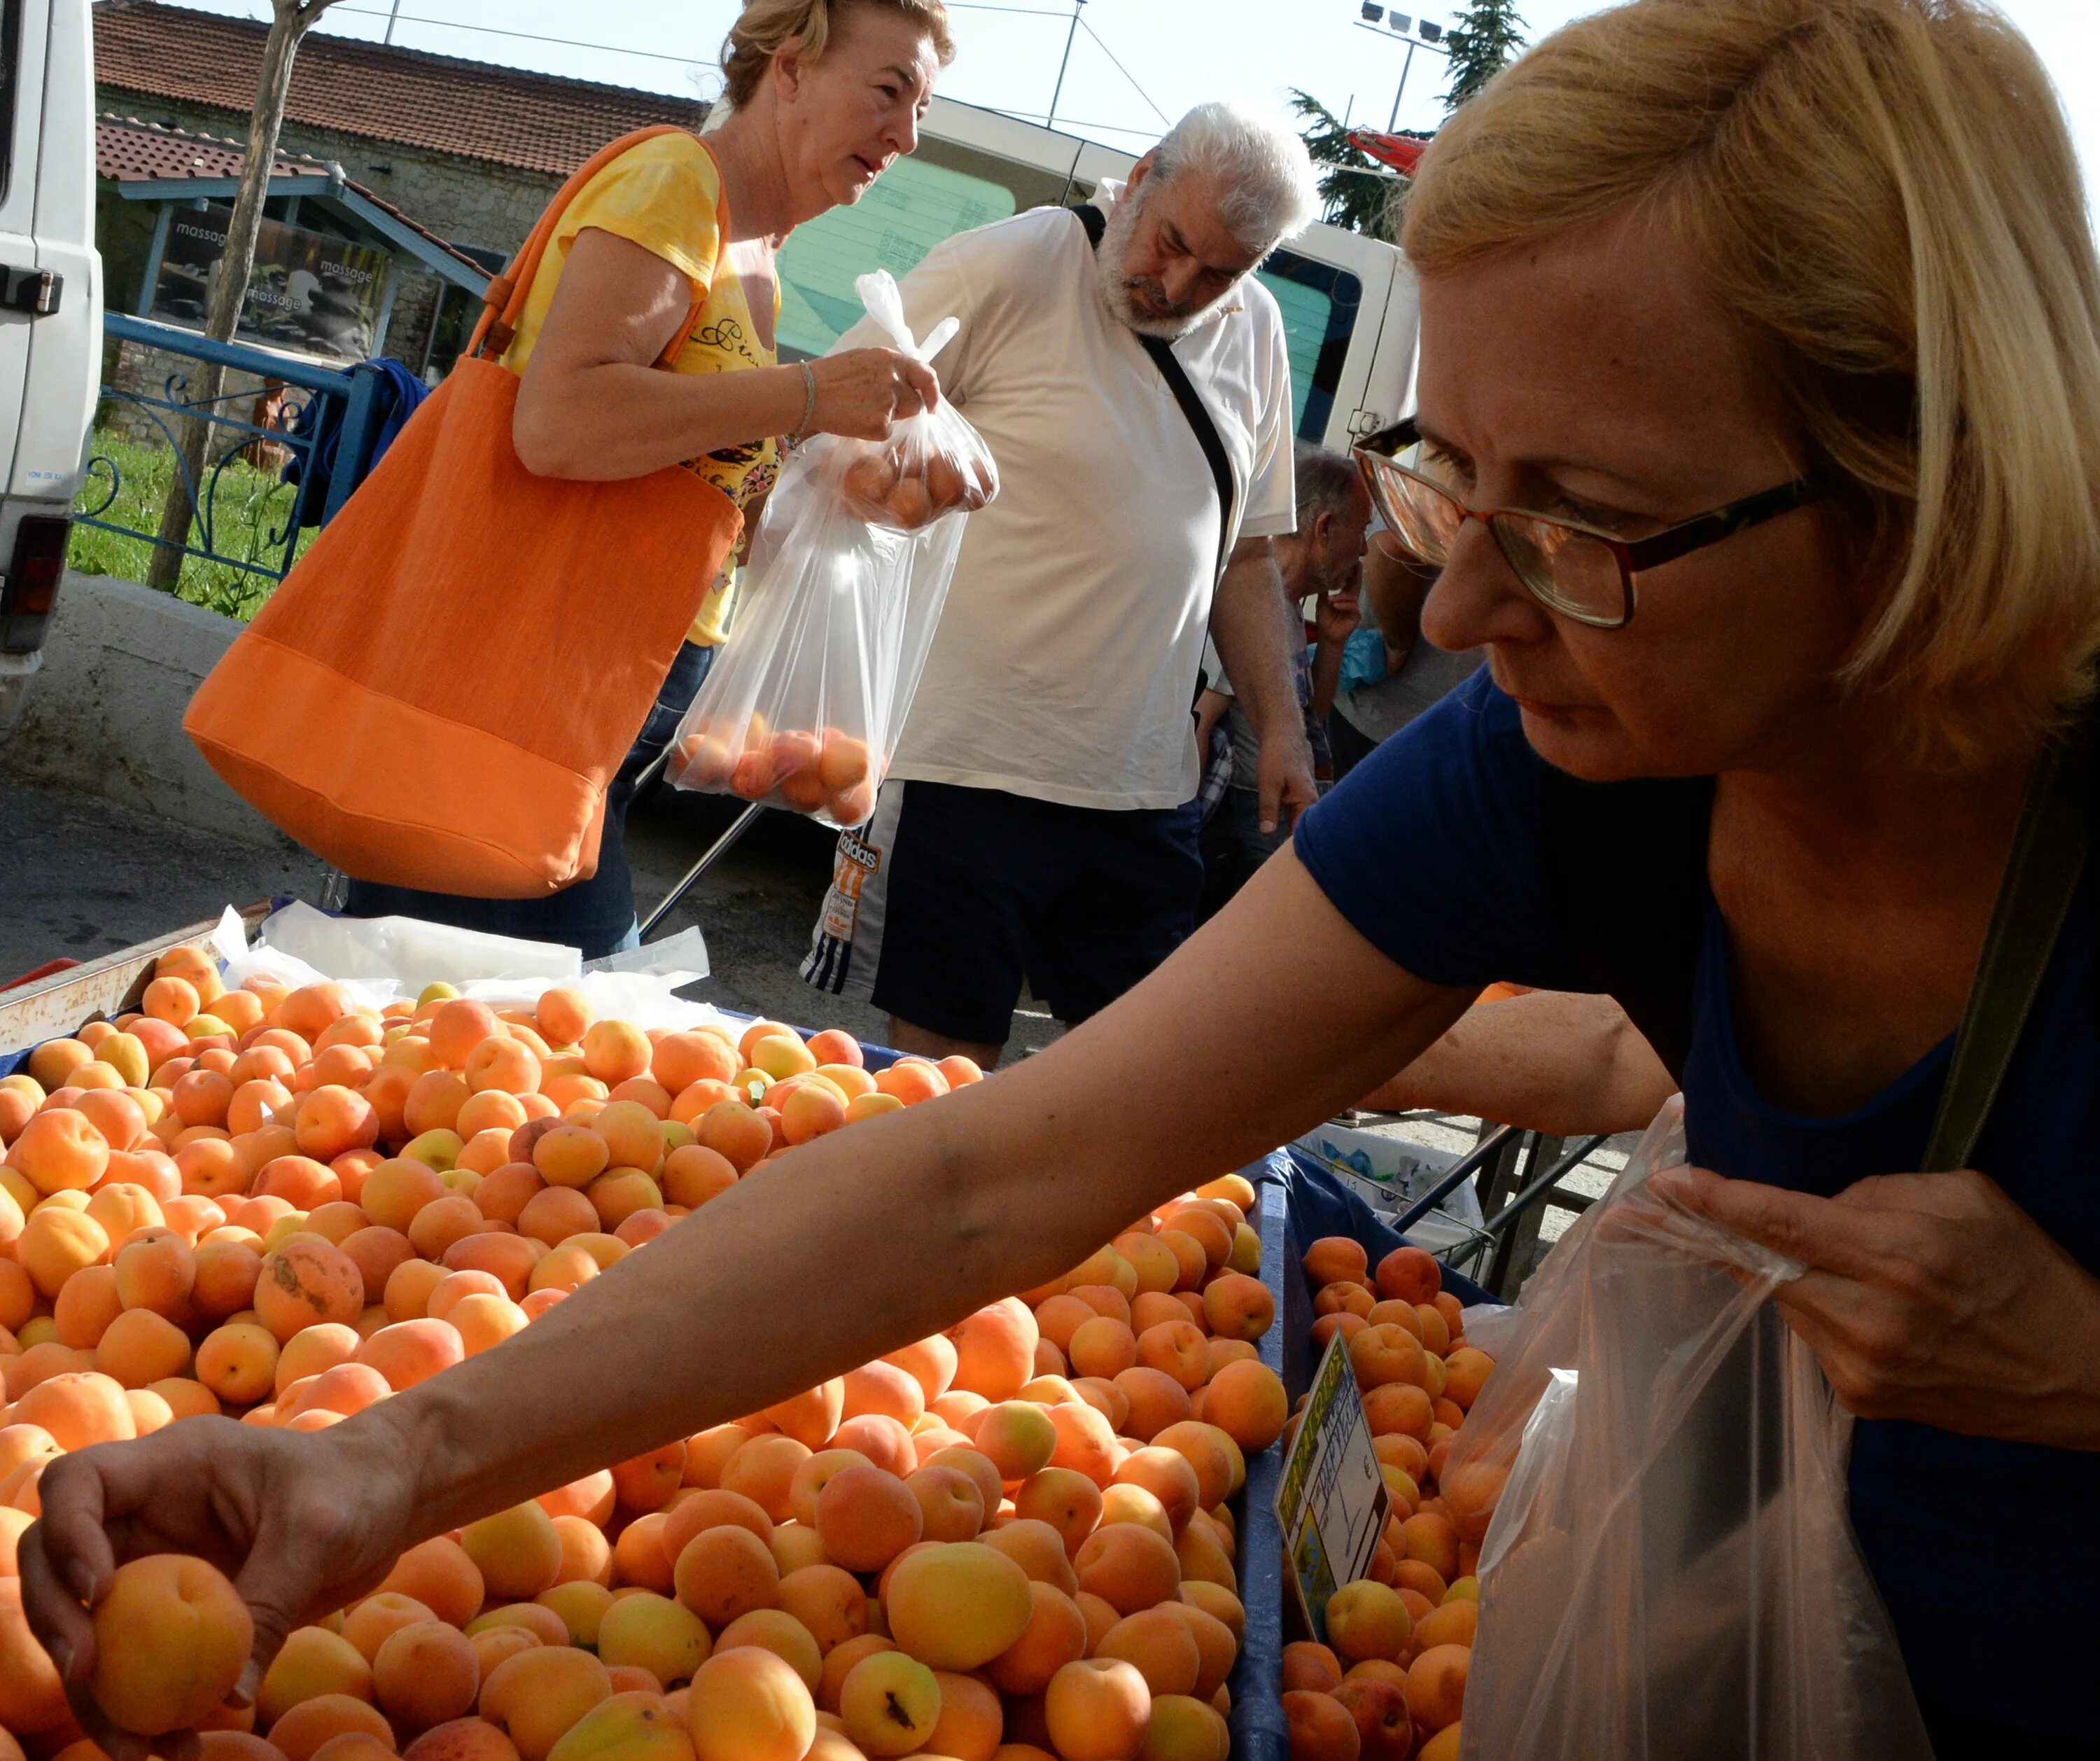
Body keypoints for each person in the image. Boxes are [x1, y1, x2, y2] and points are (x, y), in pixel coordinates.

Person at [26, 2, 2100, 1751]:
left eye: (1584, 521)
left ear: (1926, 488)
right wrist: (384, 1455)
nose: (1459, 605)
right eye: (1448, 472)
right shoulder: (1564, 767)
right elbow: (993, 1168)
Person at [340, 0, 953, 959]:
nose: (907, 135)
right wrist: (800, 396)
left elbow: (678, 459)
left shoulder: (755, 252)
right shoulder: (676, 182)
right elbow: (562, 422)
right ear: (789, 69)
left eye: (923, 109)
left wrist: (832, 476)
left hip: (586, 726)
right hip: (516, 716)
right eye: (890, 92)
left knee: (470, 1042)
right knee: (530, 1039)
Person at [799, 104, 1320, 1066]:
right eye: (1172, 245)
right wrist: (896, 481)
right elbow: (827, 429)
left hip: (1142, 789)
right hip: (968, 770)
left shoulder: (1255, 332)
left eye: (1221, 271)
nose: (1176, 286)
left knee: (1137, 1081)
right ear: (1144, 173)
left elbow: (1247, 555)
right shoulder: (1011, 263)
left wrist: (1280, 727)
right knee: (941, 1083)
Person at [1196, 443, 1368, 918]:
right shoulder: (1252, 616)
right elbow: (1201, 724)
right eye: (1361, 531)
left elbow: (1308, 723)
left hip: (1273, 812)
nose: (1365, 549)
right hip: (1252, 822)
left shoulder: (1287, 606)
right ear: (1325, 528)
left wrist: (1331, 645)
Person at [1325, 532, 1480, 779]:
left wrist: (1397, 645)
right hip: (1406, 715)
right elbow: (1392, 549)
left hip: (1403, 716)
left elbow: (1392, 549)